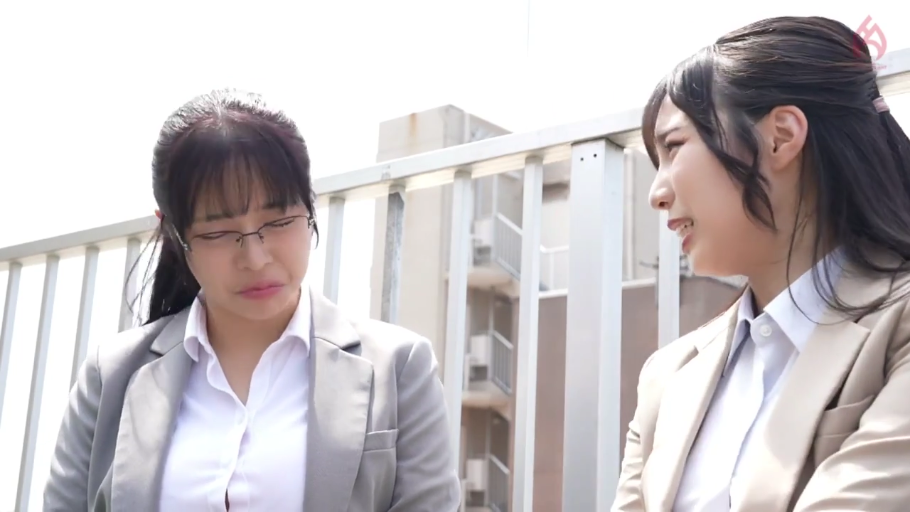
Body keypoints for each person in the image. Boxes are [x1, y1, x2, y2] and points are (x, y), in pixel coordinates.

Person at [43, 89, 461, 512]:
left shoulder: (399, 367)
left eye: (279, 221)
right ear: (173, 233)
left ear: (310, 205)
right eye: (218, 233)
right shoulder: (112, 374)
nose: (256, 258)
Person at [612, 16, 910, 512]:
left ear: (780, 136)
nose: (656, 194)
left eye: (674, 147)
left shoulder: (898, 326)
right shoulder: (669, 374)